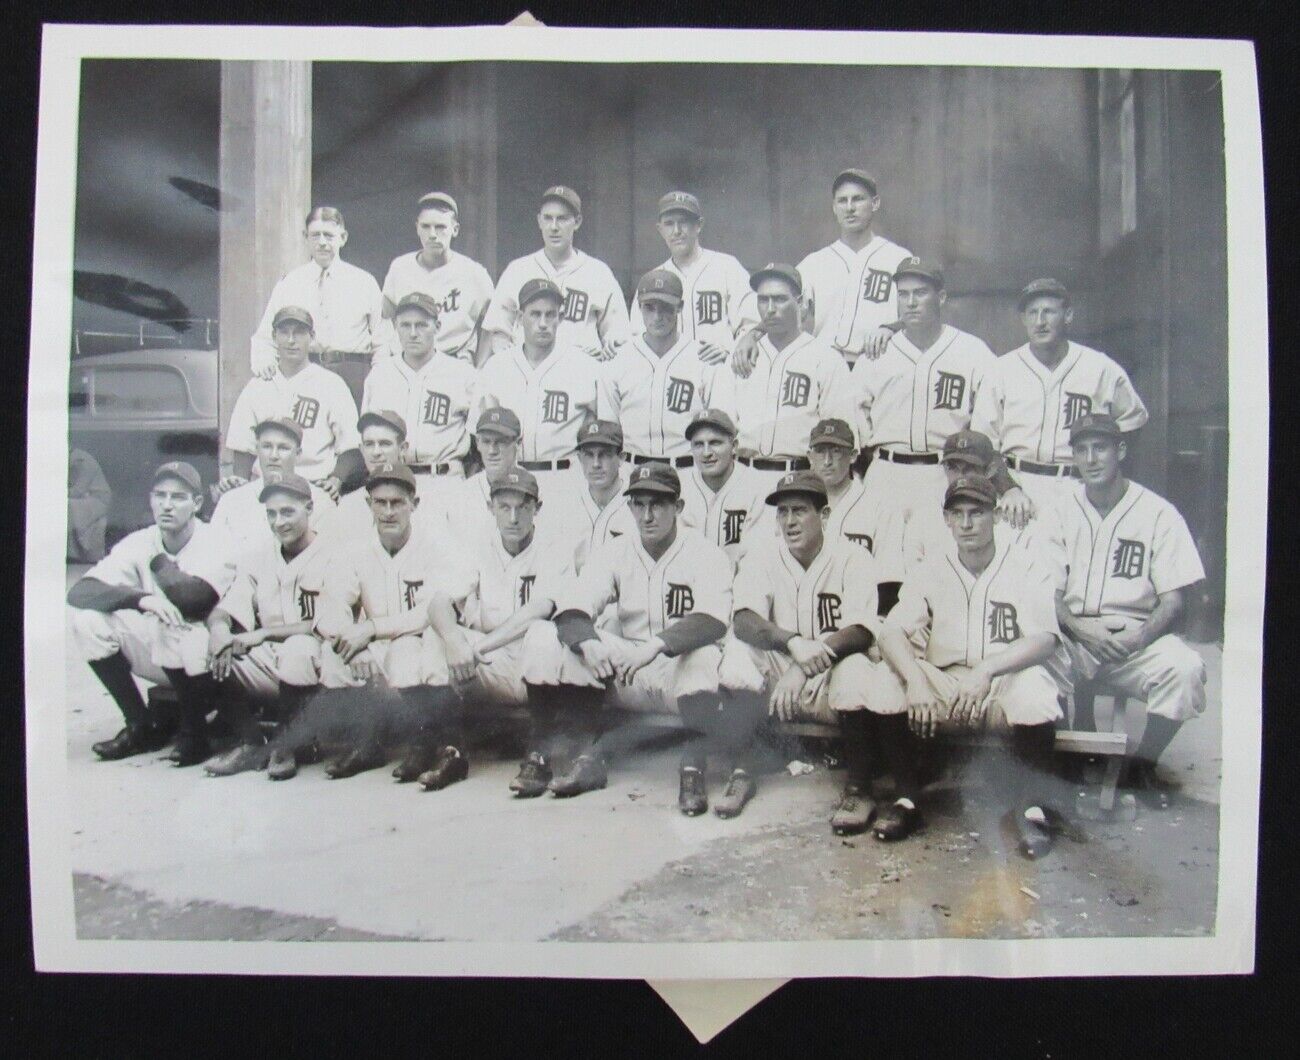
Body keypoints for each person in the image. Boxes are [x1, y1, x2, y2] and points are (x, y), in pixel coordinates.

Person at [871, 474, 1067, 857]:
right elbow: (891, 632)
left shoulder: (1027, 564)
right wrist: (915, 680)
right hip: (946, 681)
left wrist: (988, 670)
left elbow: (1045, 639)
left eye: (976, 513)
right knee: (885, 679)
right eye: (957, 514)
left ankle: (1031, 807)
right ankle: (907, 799)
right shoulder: (931, 567)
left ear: (995, 516)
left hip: (1002, 678)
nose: (966, 523)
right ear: (945, 520)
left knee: (1036, 687)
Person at [518, 463, 732, 802]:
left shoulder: (705, 553)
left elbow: (713, 620)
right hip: (627, 669)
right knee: (548, 634)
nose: (647, 515)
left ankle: (693, 767)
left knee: (705, 656)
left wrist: (656, 647)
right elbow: (573, 608)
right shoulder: (617, 550)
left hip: (678, 672)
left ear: (677, 507)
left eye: (658, 504)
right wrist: (588, 642)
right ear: (629, 506)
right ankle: (585, 759)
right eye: (639, 504)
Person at [1043, 413, 1207, 808]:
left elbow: (1173, 600)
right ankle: (1066, 752)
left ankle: (1141, 764)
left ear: (1120, 450)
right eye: (1081, 449)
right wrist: (1082, 631)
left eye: (1100, 447)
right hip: (1072, 635)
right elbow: (1047, 593)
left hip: (1136, 635)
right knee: (1028, 667)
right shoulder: (1058, 509)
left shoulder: (1159, 513)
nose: (1091, 459)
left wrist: (1138, 638)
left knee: (1184, 669)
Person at [720, 470, 885, 833]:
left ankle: (859, 787)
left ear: (824, 516)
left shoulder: (852, 557)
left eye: (800, 511)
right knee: (737, 654)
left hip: (831, 670)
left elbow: (861, 631)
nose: (789, 521)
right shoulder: (763, 554)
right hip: (784, 666)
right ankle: (743, 768)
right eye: (782, 512)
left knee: (858, 669)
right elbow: (745, 619)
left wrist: (805, 665)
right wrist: (793, 645)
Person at [307, 461, 466, 787]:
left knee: (417, 651)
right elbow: (331, 604)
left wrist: (371, 628)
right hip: (377, 641)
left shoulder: (437, 543)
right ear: (369, 505)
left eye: (397, 503)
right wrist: (349, 637)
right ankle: (366, 743)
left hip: (424, 638)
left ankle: (435, 747)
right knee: (334, 655)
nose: (389, 512)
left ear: (414, 504)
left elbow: (431, 611)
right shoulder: (354, 549)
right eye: (381, 503)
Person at [67, 461, 236, 765]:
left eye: (178, 497)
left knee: (169, 623)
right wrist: (141, 599)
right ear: (151, 499)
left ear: (197, 503)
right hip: (163, 653)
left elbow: (194, 601)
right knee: (88, 622)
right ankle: (140, 725)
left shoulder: (216, 538)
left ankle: (195, 733)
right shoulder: (141, 540)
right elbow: (80, 592)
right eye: (160, 496)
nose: (167, 506)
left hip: (212, 661)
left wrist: (158, 567)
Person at [845, 258, 1025, 540]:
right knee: (882, 566)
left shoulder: (972, 351)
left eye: (920, 293)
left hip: (945, 473)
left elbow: (986, 428)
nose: (911, 302)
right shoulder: (877, 351)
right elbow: (854, 417)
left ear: (940, 297)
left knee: (939, 563)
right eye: (903, 294)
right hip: (885, 472)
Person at [426, 468, 574, 794]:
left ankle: (538, 756)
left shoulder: (555, 545)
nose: (513, 516)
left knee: (543, 633)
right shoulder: (474, 545)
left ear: (537, 508)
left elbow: (543, 607)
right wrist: (453, 640)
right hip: (491, 661)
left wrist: (483, 645)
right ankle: (452, 752)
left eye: (523, 507)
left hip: (539, 666)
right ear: (490, 508)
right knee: (434, 638)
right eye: (504, 507)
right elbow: (437, 602)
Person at [971, 277, 1149, 515]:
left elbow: (1132, 424)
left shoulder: (1101, 368)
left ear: (1068, 315)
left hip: (1080, 487)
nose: (1040, 322)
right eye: (1032, 313)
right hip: (1017, 488)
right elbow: (983, 444)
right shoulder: (1001, 371)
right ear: (1023, 319)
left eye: (1049, 312)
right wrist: (1008, 489)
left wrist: (1105, 481)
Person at [203, 471, 339, 780]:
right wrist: (219, 630)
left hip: (322, 666)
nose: (279, 522)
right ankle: (250, 743)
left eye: (288, 511)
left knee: (298, 648)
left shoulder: (334, 554)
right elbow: (226, 606)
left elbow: (323, 623)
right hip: (271, 660)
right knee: (209, 650)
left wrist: (262, 633)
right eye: (272, 514)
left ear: (309, 507)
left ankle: (285, 744)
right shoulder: (259, 557)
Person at [732, 169, 911, 374]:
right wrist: (752, 334)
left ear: (875, 203)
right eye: (842, 201)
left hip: (879, 362)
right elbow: (784, 307)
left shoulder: (897, 258)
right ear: (834, 207)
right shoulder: (815, 263)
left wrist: (891, 328)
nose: (850, 208)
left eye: (858, 199)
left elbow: (916, 316)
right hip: (826, 367)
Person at [472, 278, 598, 501]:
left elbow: (604, 429)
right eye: (535, 314)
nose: (543, 323)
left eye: (550, 314)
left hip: (567, 479)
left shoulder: (585, 367)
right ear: (520, 318)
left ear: (560, 317)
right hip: (512, 481)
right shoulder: (496, 367)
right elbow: (480, 433)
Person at [249, 206, 386, 406]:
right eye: (315, 235)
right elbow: (264, 336)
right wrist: (264, 361)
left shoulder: (364, 282)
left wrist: (378, 380)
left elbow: (383, 340)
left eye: (329, 236)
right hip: (306, 371)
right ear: (306, 238)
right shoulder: (290, 282)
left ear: (343, 238)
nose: (322, 242)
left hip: (354, 374)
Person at [599, 269, 736, 466]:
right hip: (632, 469)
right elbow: (608, 431)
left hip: (688, 470)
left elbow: (723, 428)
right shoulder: (617, 360)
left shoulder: (705, 359)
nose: (657, 316)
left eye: (665, 307)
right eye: (649, 307)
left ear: (679, 307)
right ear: (639, 307)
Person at [361, 292, 476, 523]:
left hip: (444, 481)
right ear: (395, 327)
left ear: (438, 326)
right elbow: (367, 438)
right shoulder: (380, 375)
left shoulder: (463, 374)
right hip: (392, 484)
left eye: (422, 325)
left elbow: (479, 441)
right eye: (406, 325)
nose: (413, 333)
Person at [225, 306, 363, 499]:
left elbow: (351, 446)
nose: (291, 340)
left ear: (312, 336)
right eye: (284, 332)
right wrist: (241, 485)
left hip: (314, 487)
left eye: (299, 333)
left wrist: (336, 480)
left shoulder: (331, 384)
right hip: (265, 489)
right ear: (274, 336)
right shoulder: (257, 386)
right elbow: (243, 447)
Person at [732, 264, 852, 484]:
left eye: (779, 299)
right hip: (743, 475)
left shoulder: (826, 359)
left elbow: (840, 434)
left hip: (800, 476)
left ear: (799, 302)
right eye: (763, 300)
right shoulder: (742, 355)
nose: (769, 308)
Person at [481, 185, 630, 361]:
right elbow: (498, 331)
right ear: (539, 221)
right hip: (529, 372)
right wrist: (511, 359)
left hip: (582, 371)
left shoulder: (598, 273)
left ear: (577, 221)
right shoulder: (518, 270)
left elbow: (619, 335)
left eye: (562, 219)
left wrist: (610, 347)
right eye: (548, 218)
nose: (554, 227)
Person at [626, 192, 758, 364]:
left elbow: (753, 323)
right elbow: (637, 335)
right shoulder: (651, 280)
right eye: (669, 224)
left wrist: (731, 348)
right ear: (660, 229)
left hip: (720, 370)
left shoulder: (727, 267)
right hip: (673, 378)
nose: (677, 231)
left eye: (684, 222)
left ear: (698, 225)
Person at [380, 192, 495, 367]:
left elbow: (492, 325)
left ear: (454, 229)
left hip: (455, 362)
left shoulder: (474, 273)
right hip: (409, 364)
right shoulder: (400, 268)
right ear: (417, 228)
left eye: (440, 227)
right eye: (426, 227)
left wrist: (481, 368)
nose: (432, 234)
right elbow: (386, 318)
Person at [210, 417, 336, 559]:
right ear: (257, 449)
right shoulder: (232, 501)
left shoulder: (320, 501)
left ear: (298, 453)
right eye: (267, 446)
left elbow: (327, 558)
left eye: (283, 448)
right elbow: (215, 559)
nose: (274, 455)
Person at [677, 409, 771, 568]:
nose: (706, 453)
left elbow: (757, 558)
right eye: (698, 444)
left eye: (715, 443)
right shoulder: (679, 485)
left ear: (734, 446)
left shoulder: (757, 487)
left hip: (741, 585)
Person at [549, 419, 637, 575]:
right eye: (589, 455)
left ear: (621, 458)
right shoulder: (564, 507)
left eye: (604, 455)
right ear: (579, 458)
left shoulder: (637, 506)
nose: (596, 464)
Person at [68, 447, 112, 562]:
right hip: (85, 498)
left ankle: (74, 552)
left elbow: (78, 490)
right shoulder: (75, 459)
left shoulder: (83, 461)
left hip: (99, 500)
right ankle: (71, 551)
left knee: (69, 506)